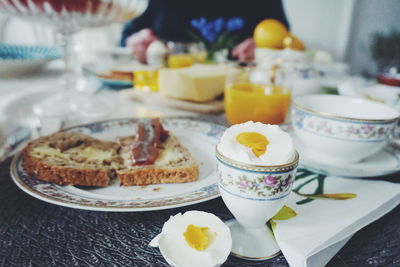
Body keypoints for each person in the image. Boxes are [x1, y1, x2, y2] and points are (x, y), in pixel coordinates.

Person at [121, 0, 289, 63]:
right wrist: (135, 44)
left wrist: (263, 50)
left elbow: (286, 40)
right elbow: (125, 40)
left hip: (240, 90)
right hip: (160, 94)